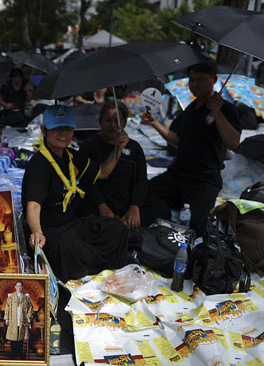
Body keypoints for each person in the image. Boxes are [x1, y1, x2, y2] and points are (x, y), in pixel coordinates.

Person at [22, 104, 130, 283]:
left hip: (72, 223)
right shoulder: (39, 164)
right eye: (56, 128)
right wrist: (37, 232)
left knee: (116, 229)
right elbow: (33, 205)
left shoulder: (72, 155)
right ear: (44, 130)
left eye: (67, 128)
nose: (63, 133)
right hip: (49, 229)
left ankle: (91, 264)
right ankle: (89, 265)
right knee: (65, 249)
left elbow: (102, 172)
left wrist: (118, 148)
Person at [141, 60, 241, 235]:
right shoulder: (190, 108)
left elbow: (233, 142)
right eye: (192, 80)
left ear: (214, 79)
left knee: (198, 226)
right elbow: (178, 140)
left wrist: (217, 113)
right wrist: (155, 123)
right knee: (143, 193)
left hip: (205, 179)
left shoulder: (227, 109)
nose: (195, 85)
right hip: (178, 173)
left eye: (201, 80)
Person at [79, 100, 148, 229]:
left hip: (126, 203)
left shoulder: (135, 148)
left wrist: (135, 206)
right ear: (100, 122)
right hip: (97, 204)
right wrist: (102, 206)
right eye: (108, 120)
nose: (113, 125)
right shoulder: (89, 146)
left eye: (117, 121)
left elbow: (141, 180)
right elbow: (87, 181)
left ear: (125, 123)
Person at [4, 281, 33, 359]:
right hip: (13, 319)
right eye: (17, 286)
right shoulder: (10, 297)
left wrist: (28, 317)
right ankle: (13, 353)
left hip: (22, 319)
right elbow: (7, 308)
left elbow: (30, 307)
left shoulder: (26, 297)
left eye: (20, 286)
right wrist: (6, 318)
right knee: (13, 338)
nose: (19, 288)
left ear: (22, 287)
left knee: (20, 337)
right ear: (15, 287)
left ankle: (20, 353)